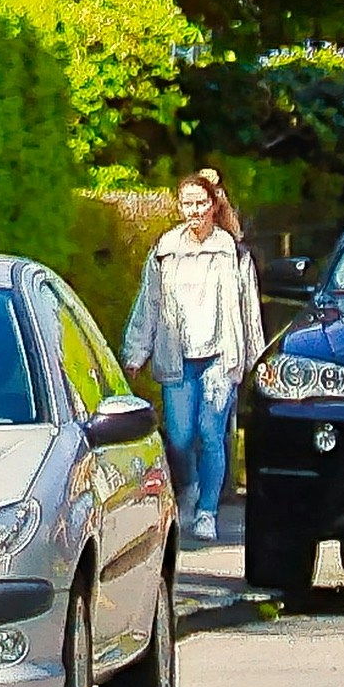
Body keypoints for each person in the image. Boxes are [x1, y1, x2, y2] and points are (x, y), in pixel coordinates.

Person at [136, 171, 263, 539]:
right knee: (178, 436)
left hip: (220, 356)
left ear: (212, 205)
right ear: (179, 207)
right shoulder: (165, 250)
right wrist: (136, 350)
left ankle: (207, 510)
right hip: (177, 357)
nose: (194, 211)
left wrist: (255, 359)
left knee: (211, 432)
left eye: (200, 203)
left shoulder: (232, 253)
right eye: (187, 204)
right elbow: (149, 304)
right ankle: (188, 488)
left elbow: (249, 309)